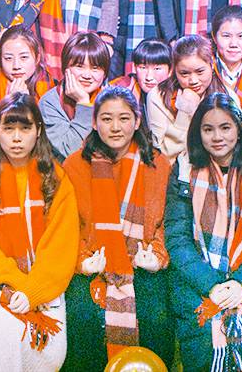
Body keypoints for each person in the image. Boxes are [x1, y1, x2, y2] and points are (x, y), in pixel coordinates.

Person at [0, 93, 78, 370]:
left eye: (25, 128)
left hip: (45, 282)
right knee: (9, 336)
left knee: (52, 351)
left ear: (38, 130)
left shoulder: (55, 177)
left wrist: (34, 289)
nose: (16, 138)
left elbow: (61, 243)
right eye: (8, 128)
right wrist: (18, 285)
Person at [164, 92, 242, 372]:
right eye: (208, 129)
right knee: (203, 334)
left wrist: (241, 284)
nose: (217, 137)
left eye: (225, 127)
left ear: (238, 130)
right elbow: (177, 238)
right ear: (198, 132)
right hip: (196, 281)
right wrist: (211, 285)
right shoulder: (184, 168)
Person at [61, 86, 174, 369]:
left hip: (142, 265)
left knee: (156, 318)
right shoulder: (74, 165)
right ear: (94, 122)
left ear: (137, 122)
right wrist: (81, 261)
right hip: (92, 265)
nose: (115, 127)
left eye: (124, 118)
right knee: (84, 317)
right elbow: (64, 225)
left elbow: (167, 223)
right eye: (106, 118)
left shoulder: (158, 164)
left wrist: (156, 256)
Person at [147, 35, 230, 163]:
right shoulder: (157, 96)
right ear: (174, 70)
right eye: (184, 73)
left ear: (212, 65)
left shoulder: (227, 95)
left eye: (200, 72)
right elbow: (162, 156)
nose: (193, 81)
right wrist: (184, 113)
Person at [39, 32, 110, 158]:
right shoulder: (50, 102)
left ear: (104, 73)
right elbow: (70, 151)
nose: (87, 75)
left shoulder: (112, 100)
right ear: (66, 68)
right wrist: (83, 103)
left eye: (95, 68)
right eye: (79, 66)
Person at [212, 6, 242, 102]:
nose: (233, 44)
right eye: (226, 36)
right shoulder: (205, 68)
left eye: (241, 36)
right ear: (214, 37)